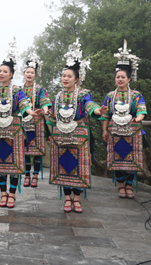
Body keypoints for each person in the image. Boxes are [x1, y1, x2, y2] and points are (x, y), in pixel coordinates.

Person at [47, 39, 108, 213]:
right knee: (64, 165)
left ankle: (77, 198)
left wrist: (97, 111)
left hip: (79, 137)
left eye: (69, 76)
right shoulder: (58, 96)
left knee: (79, 166)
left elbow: (90, 105)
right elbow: (52, 117)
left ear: (77, 78)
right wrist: (46, 116)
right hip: (61, 137)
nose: (65, 79)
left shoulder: (83, 94)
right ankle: (67, 198)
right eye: (63, 76)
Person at [0, 37, 42, 208]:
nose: (1, 74)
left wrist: (31, 112)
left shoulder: (17, 90)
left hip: (15, 132)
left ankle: (12, 194)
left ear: (11, 74)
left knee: (15, 163)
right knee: (0, 162)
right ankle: (3, 194)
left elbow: (24, 104)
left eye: (4, 71)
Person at [101, 40, 146, 199]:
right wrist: (104, 130)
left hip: (131, 133)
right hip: (114, 132)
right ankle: (121, 185)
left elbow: (141, 109)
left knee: (131, 160)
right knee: (117, 158)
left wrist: (138, 118)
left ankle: (129, 185)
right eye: (117, 77)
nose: (119, 79)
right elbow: (105, 114)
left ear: (128, 79)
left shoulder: (135, 95)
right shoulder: (109, 96)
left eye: (123, 77)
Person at [21, 52, 51, 188]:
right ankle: (27, 174)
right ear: (24, 73)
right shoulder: (19, 90)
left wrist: (45, 110)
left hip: (37, 122)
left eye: (32, 73)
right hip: (23, 122)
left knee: (37, 151)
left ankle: (35, 176)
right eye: (27, 72)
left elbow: (44, 101)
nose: (29, 74)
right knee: (26, 150)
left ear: (35, 75)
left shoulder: (39, 89)